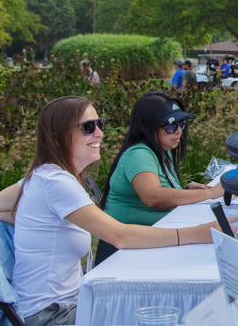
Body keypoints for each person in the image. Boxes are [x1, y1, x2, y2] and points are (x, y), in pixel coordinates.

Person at [0, 96, 227, 326]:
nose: (99, 133)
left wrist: (33, 221)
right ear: (56, 138)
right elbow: (120, 236)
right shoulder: (55, 182)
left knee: (164, 308)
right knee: (169, 315)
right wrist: (198, 233)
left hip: (60, 304)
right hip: (50, 316)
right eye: (88, 127)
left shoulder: (43, 175)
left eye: (100, 124)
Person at [95, 92, 223, 263]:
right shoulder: (139, 153)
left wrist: (184, 191)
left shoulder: (162, 150)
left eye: (181, 123)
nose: (178, 131)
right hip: (122, 252)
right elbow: (153, 196)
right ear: (145, 127)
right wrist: (211, 193)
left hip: (146, 241)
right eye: (170, 126)